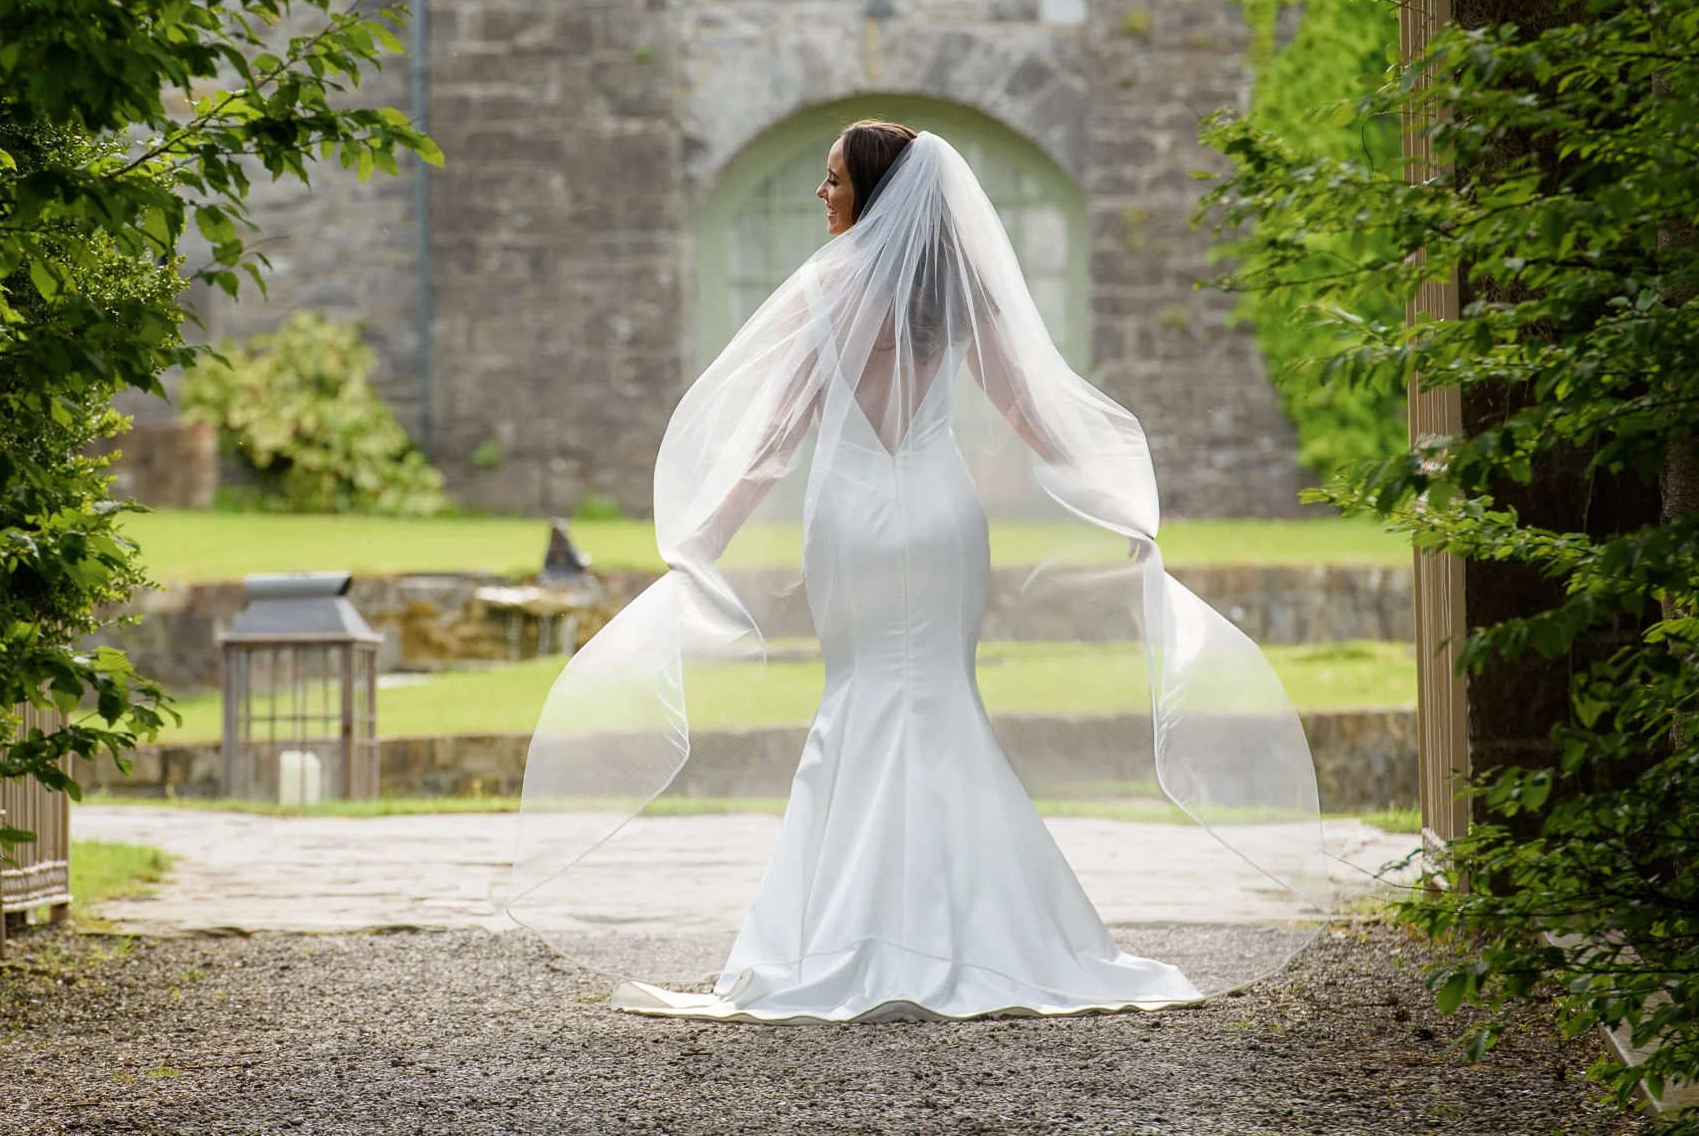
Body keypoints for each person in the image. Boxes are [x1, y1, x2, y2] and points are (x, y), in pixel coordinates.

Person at [505, 121, 1327, 1022]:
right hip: (939, 515)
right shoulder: (954, 289)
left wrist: (703, 539)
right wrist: (1116, 500)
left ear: (872, 192)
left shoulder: (822, 292)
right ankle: (987, 927)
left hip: (853, 520)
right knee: (940, 696)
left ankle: (840, 929)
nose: (820, 195)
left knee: (856, 699)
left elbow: (773, 442)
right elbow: (1030, 410)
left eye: (832, 181)